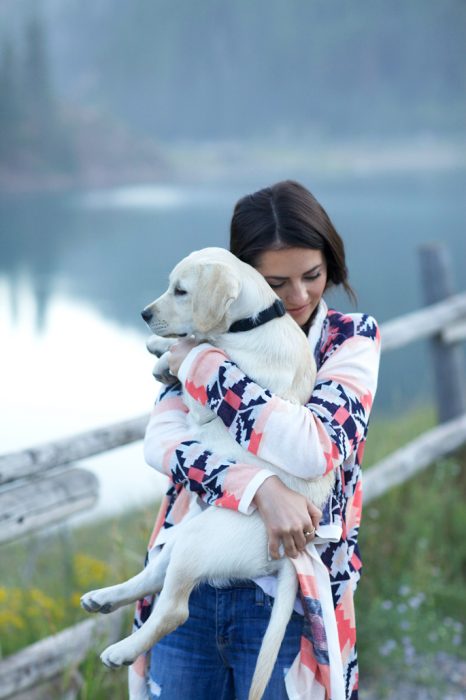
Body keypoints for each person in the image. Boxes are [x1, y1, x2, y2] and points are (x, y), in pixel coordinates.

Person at [129, 180, 381, 700]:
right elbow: (163, 445)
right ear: (242, 279)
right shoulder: (202, 329)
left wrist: (200, 365)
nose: (299, 296)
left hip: (293, 597)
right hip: (189, 582)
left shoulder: (348, 340)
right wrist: (260, 488)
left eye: (313, 275)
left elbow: (316, 448)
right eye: (277, 281)